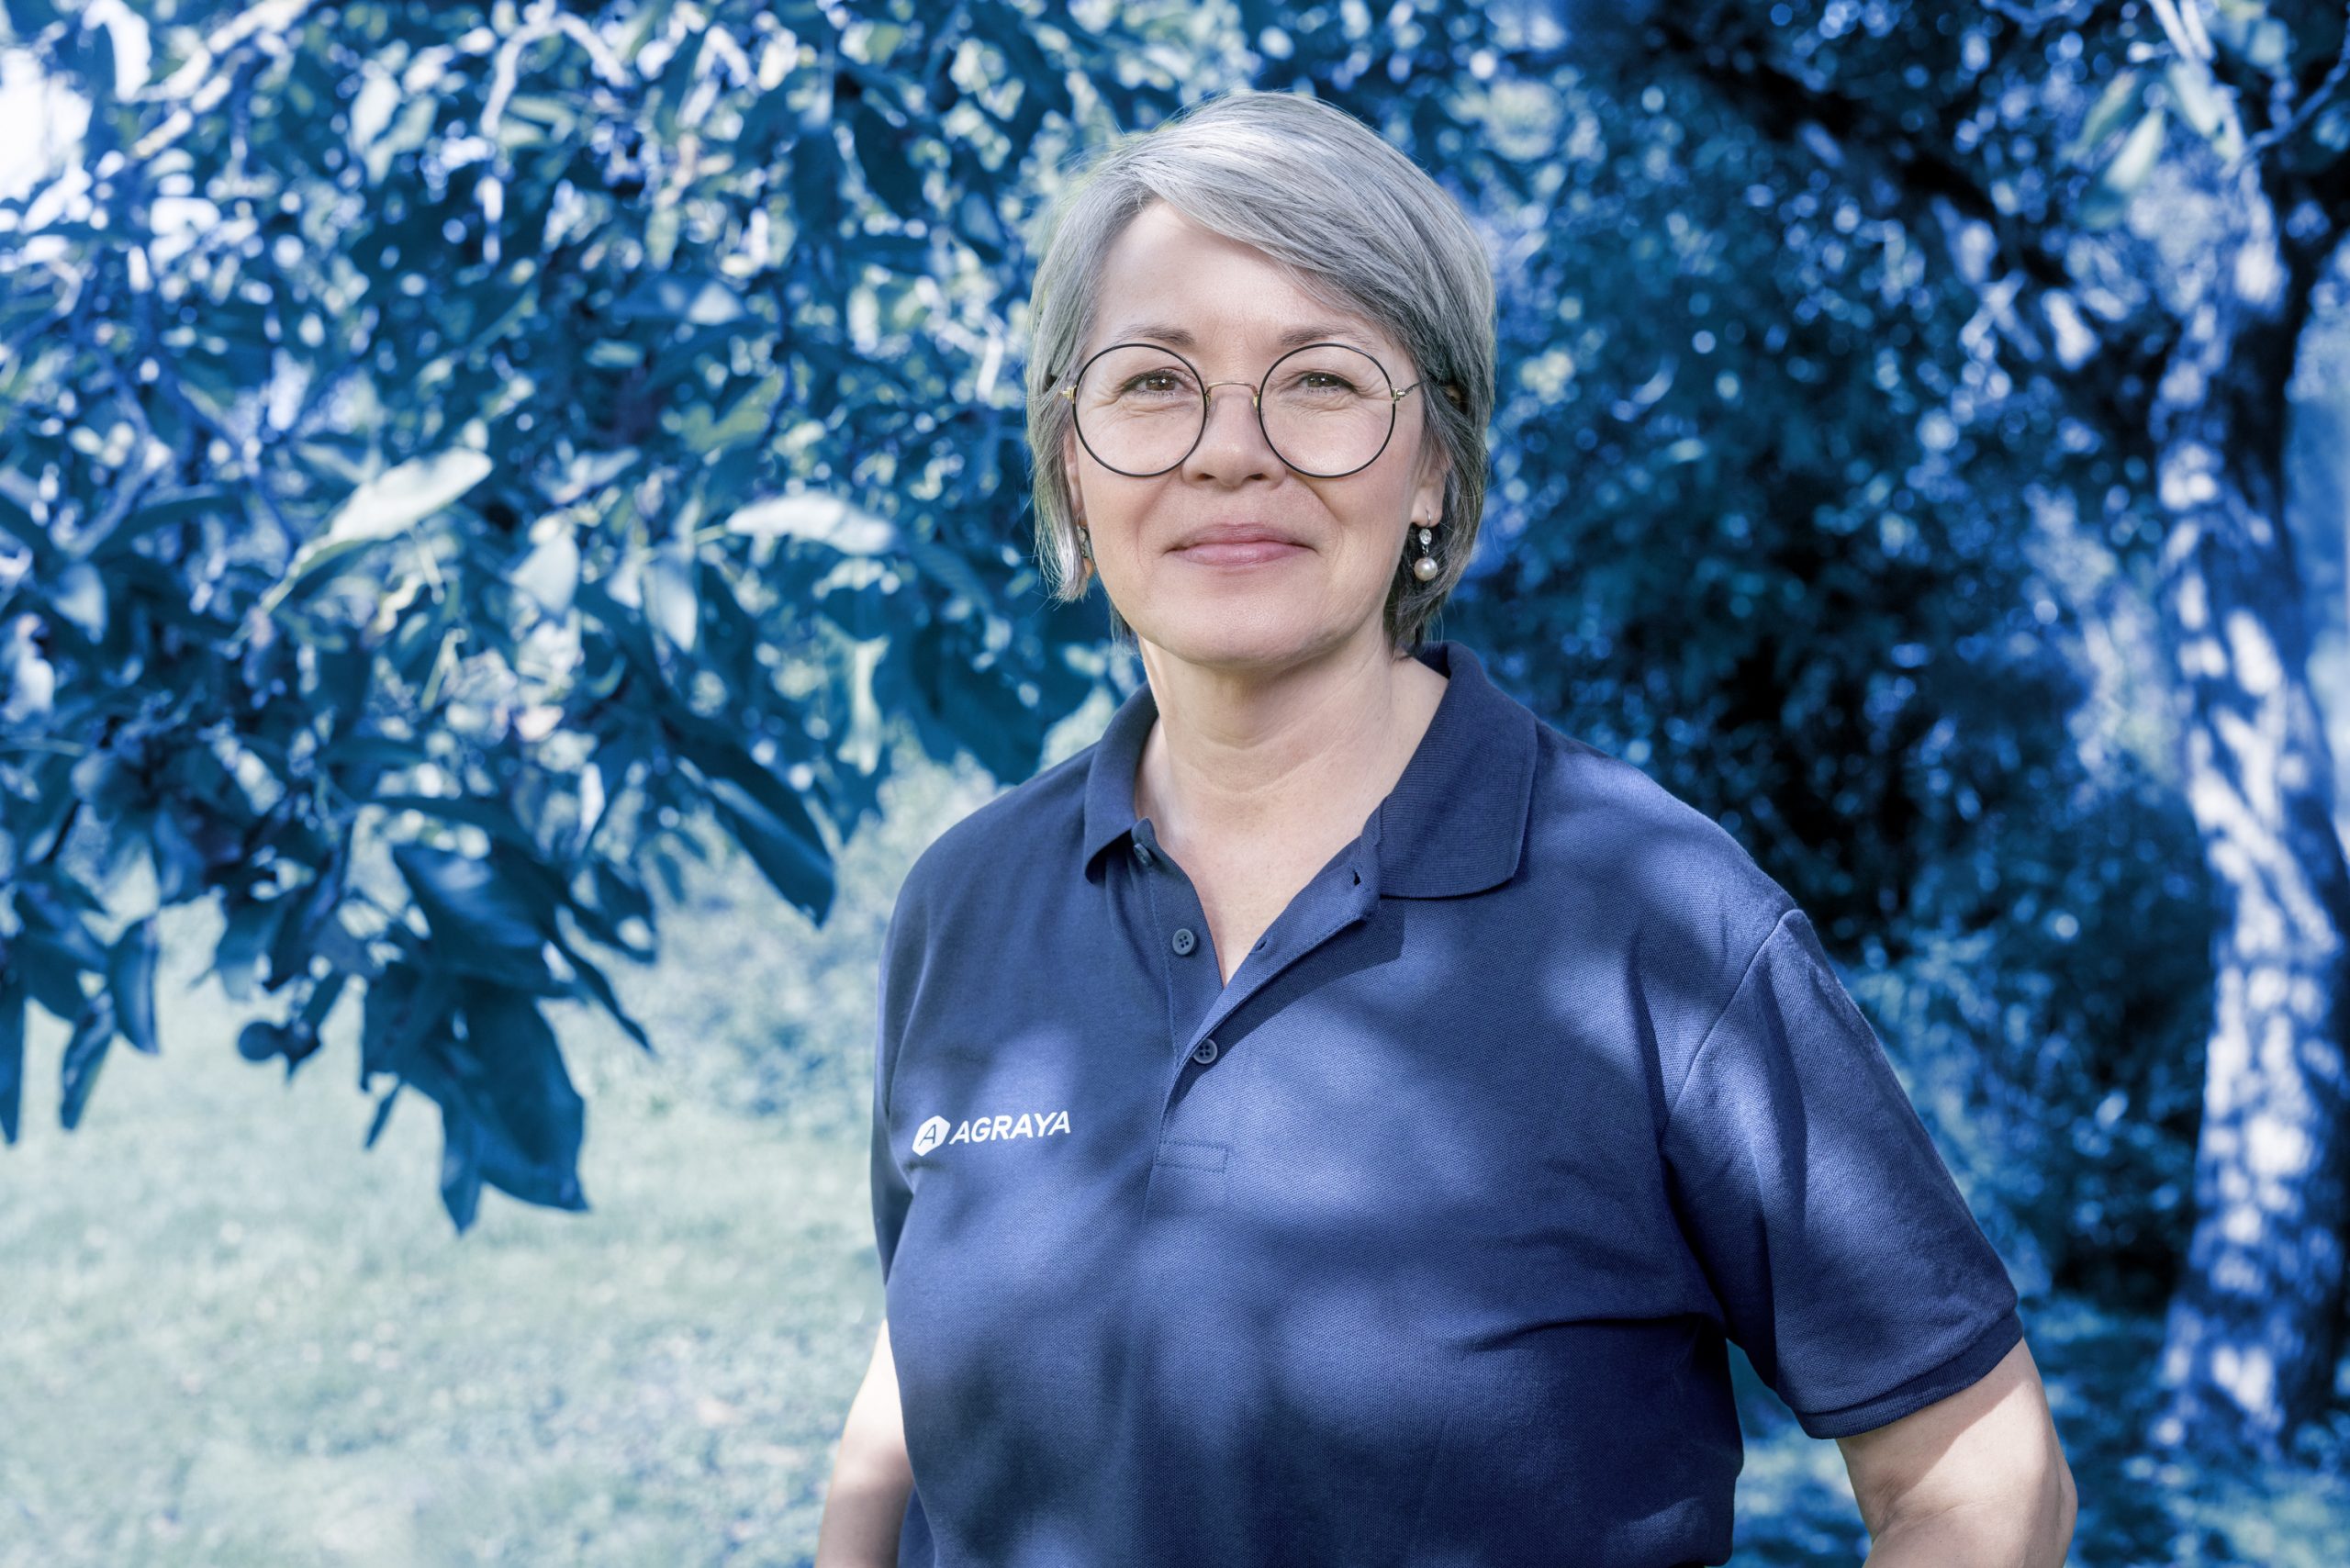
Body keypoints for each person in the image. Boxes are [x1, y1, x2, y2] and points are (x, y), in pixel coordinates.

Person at [815, 87, 2076, 1568]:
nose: (1231, 450)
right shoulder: (965, 901)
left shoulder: (1658, 920)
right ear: (1071, 471)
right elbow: (925, 1364)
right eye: (1153, 382)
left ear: (1435, 472)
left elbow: (1981, 1479)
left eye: (1325, 381)